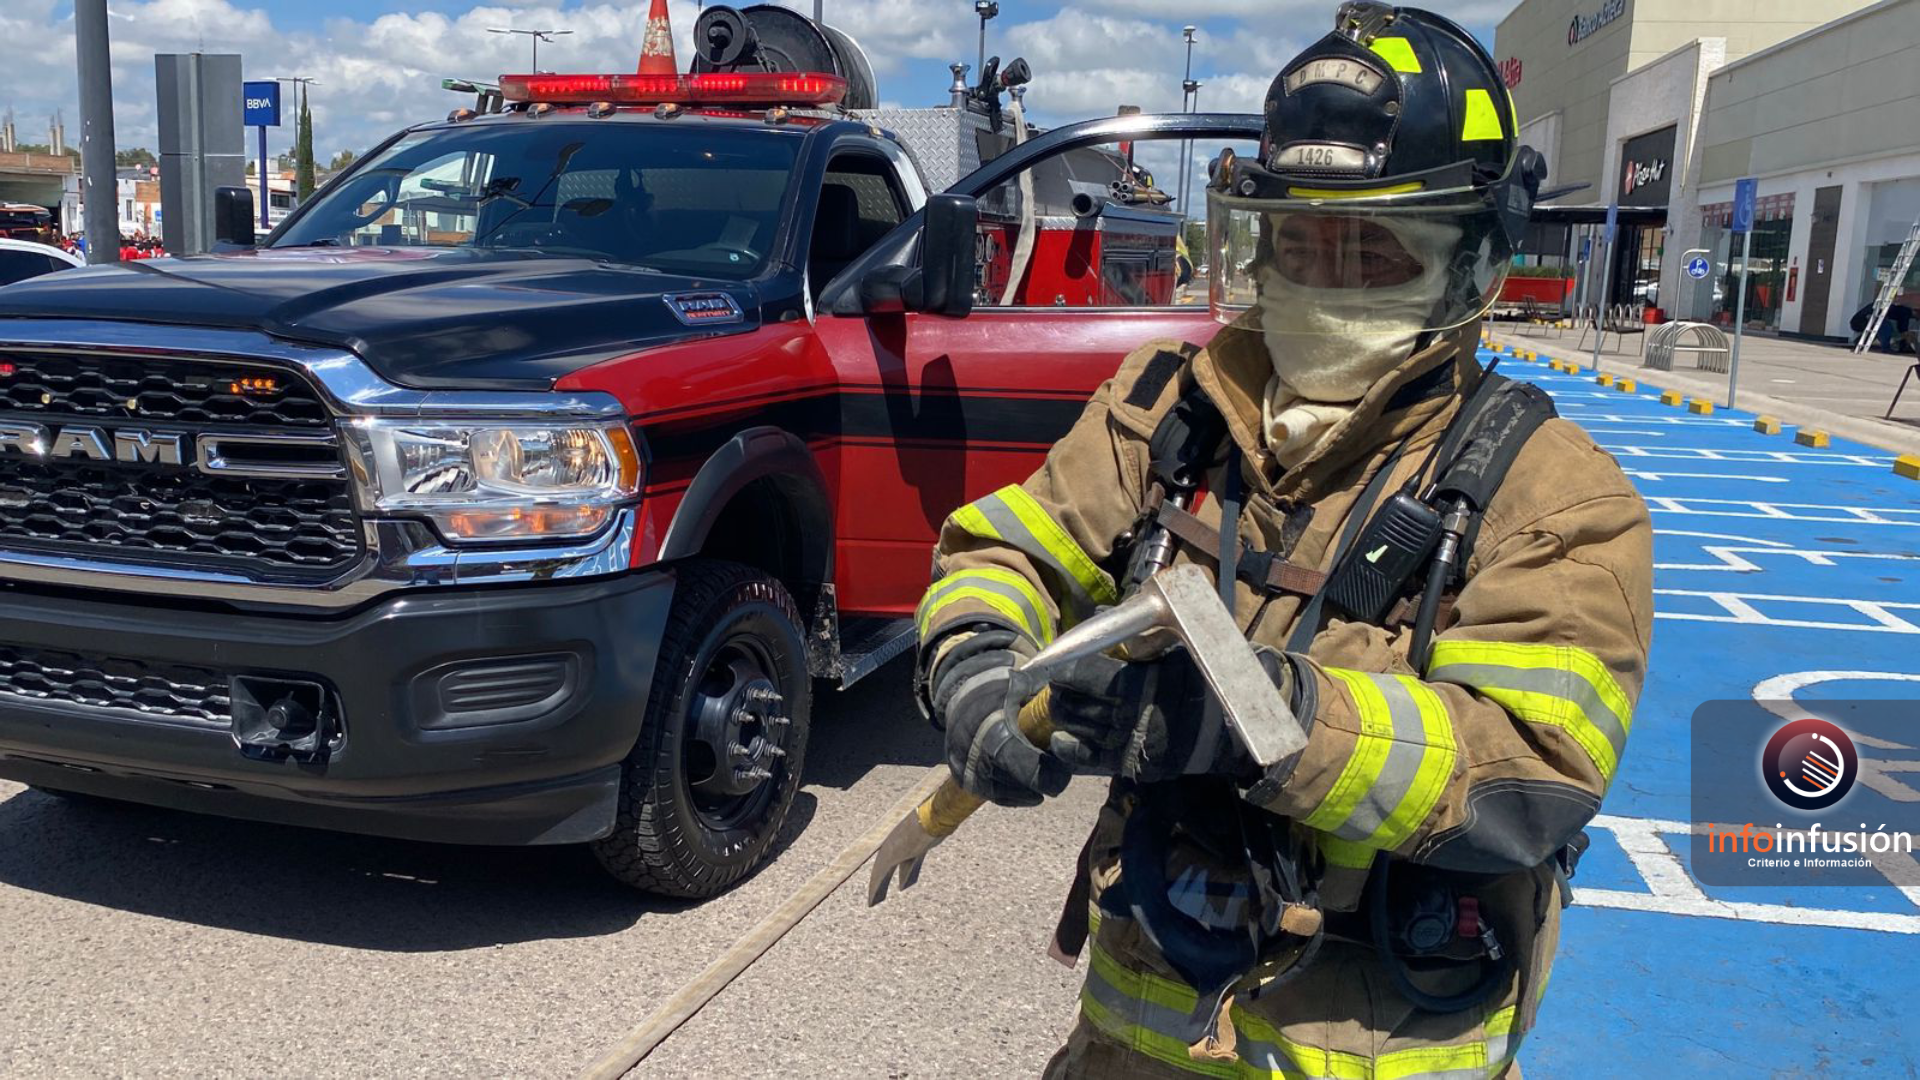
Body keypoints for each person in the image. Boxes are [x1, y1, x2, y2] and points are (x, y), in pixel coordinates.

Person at [913, 5, 1653, 1077]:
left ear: (1469, 258)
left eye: (1374, 250)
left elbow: (1524, 773)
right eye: (1300, 240)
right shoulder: (1164, 410)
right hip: (1140, 1039)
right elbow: (1010, 550)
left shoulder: (1554, 493)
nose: (1324, 280)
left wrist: (1263, 720)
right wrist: (976, 662)